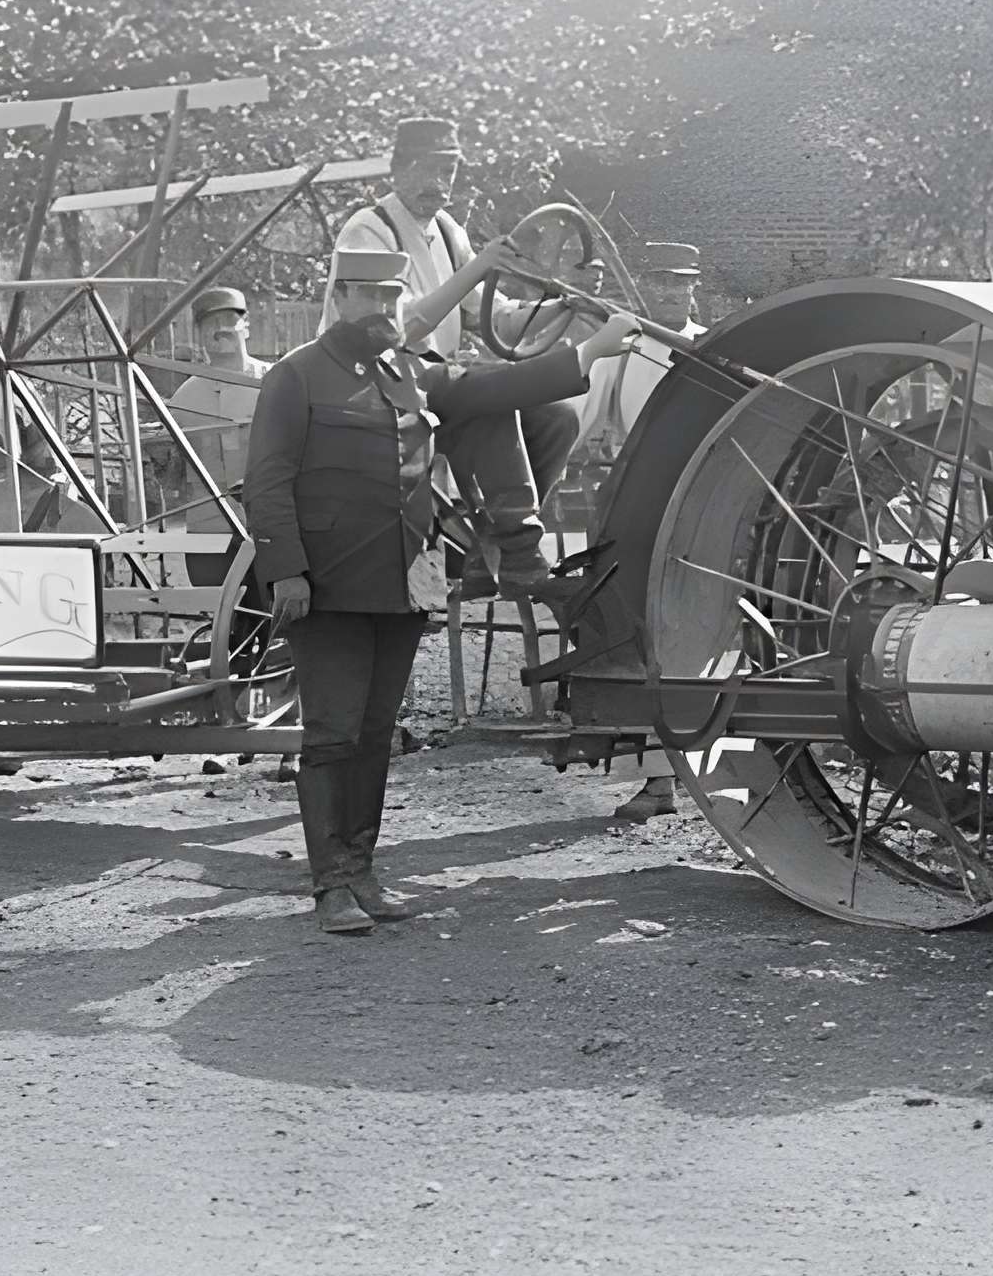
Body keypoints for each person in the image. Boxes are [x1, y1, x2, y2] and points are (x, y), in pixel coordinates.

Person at [245, 214, 640, 936]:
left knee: (373, 733)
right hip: (326, 587)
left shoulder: (409, 375)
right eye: (367, 297)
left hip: (398, 585)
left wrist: (588, 351)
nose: (382, 311)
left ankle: (361, 873)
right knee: (330, 735)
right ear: (338, 299)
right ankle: (329, 886)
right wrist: (287, 575)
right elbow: (266, 484)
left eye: (393, 297)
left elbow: (497, 390)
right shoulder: (294, 377)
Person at [344, 113, 582, 602]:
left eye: (448, 170)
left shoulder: (449, 232)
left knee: (557, 416)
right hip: (373, 385)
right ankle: (520, 553)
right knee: (487, 398)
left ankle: (488, 549)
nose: (439, 182)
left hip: (436, 386)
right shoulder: (370, 228)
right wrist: (477, 269)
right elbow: (395, 327)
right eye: (427, 168)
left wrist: (565, 301)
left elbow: (491, 320)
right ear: (397, 170)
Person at [576, 243, 711, 822]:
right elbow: (581, 426)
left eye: (679, 283)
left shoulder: (714, 345)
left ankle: (717, 776)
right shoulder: (623, 351)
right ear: (644, 287)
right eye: (659, 282)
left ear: (693, 288)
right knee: (641, 641)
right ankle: (659, 782)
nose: (669, 293)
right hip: (640, 514)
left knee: (703, 638)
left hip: (707, 509)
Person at [165, 287, 268, 587]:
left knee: (272, 621)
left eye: (229, 320)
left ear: (246, 326)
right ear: (199, 334)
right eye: (210, 323)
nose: (220, 329)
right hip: (209, 533)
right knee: (219, 624)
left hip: (267, 530)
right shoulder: (184, 399)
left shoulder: (275, 383)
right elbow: (172, 479)